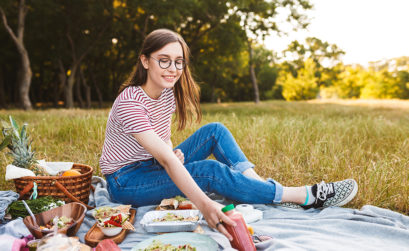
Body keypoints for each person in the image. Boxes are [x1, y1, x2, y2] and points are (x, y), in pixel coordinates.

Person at [99, 28, 358, 240]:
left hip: (152, 164)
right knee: (209, 172)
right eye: (163, 60)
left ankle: (259, 188)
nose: (172, 69)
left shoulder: (166, 92)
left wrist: (171, 150)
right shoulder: (130, 102)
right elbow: (165, 160)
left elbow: (162, 140)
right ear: (145, 61)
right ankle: (303, 196)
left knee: (215, 131)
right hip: (125, 181)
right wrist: (205, 205)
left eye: (179, 62)